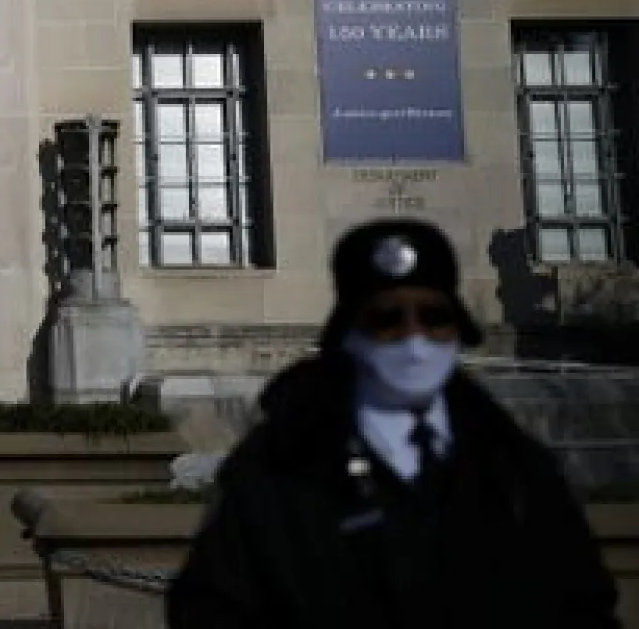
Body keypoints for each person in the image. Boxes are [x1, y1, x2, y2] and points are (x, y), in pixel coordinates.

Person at [167, 217, 620, 629]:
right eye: (387, 319)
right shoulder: (276, 469)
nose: (414, 339)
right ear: (351, 333)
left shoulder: (514, 467)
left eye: (434, 317)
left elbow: (582, 606)